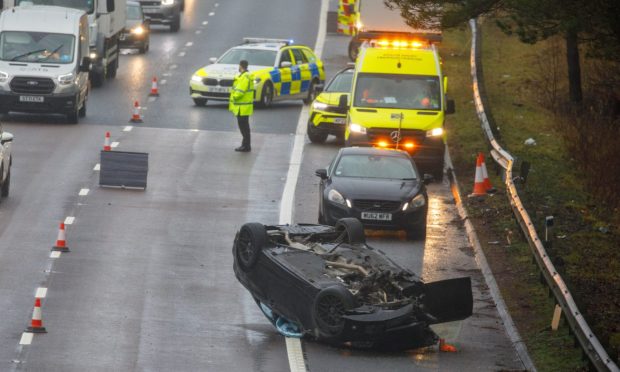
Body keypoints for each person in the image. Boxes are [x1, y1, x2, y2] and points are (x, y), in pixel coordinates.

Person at [229, 60, 254, 152]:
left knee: (244, 127)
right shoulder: (245, 76)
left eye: (239, 66)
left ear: (241, 66)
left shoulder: (245, 77)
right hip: (243, 106)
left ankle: (246, 146)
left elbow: (240, 90)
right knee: (244, 126)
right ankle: (245, 144)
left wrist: (234, 97)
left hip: (242, 106)